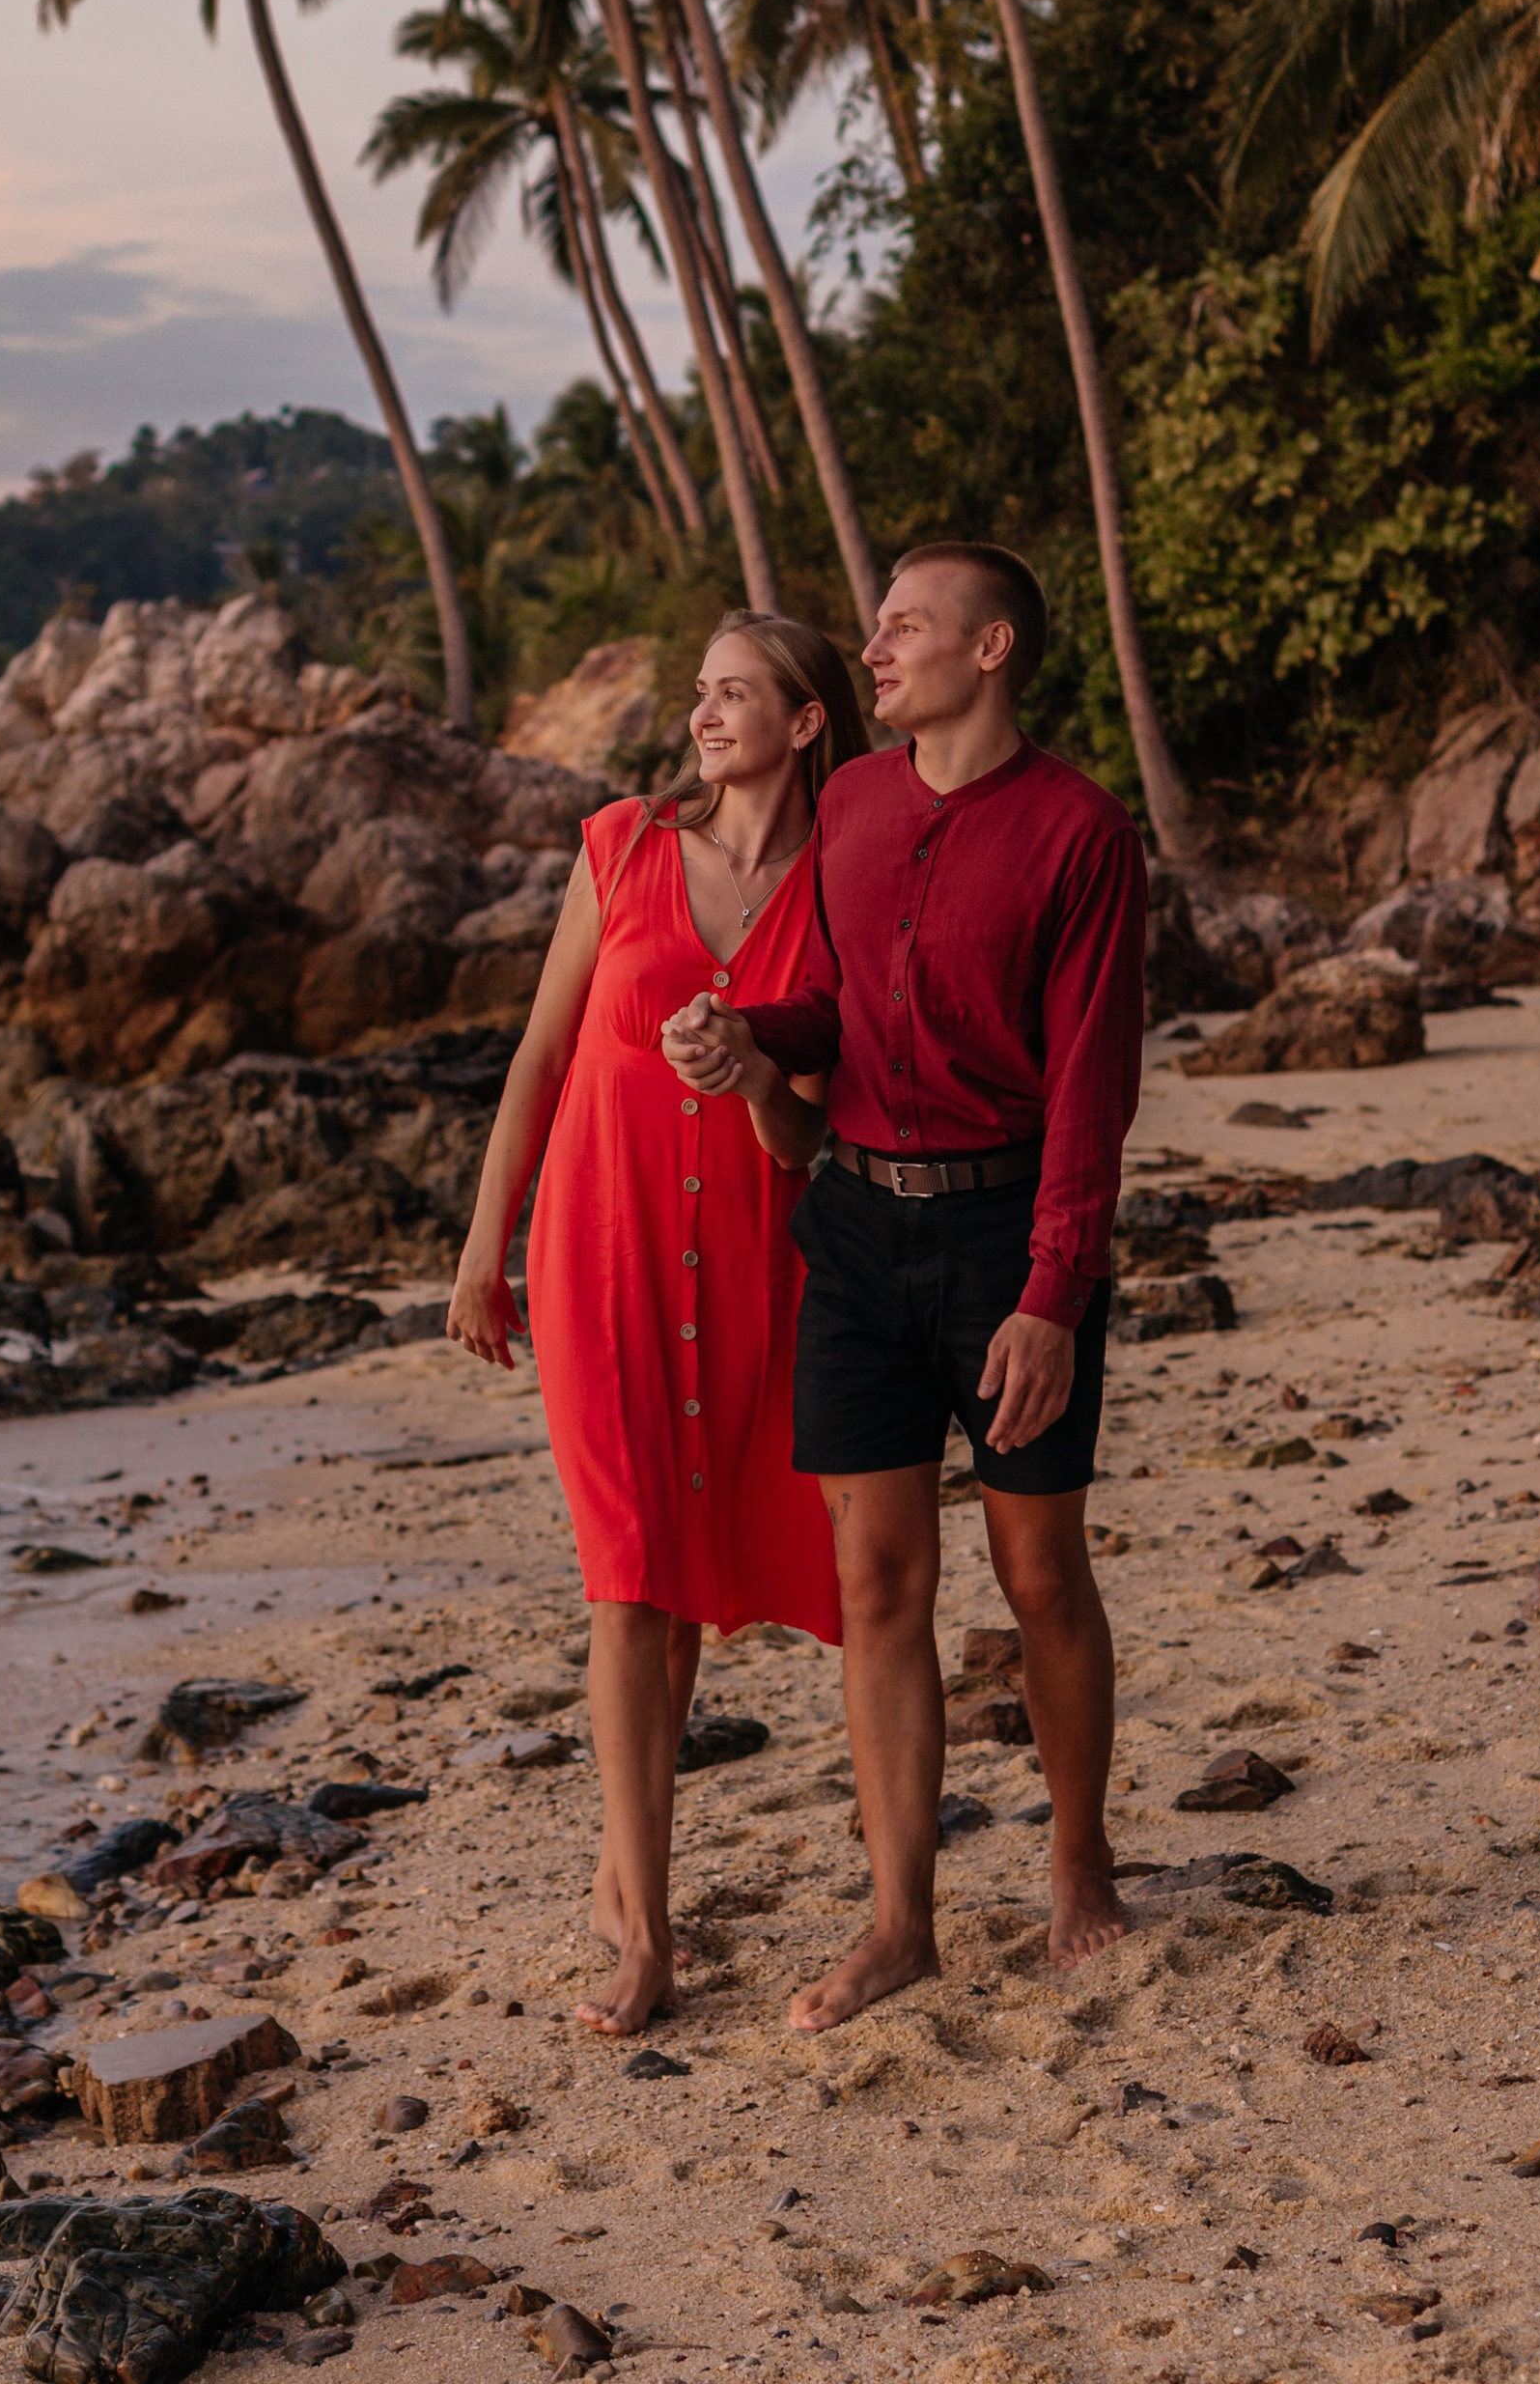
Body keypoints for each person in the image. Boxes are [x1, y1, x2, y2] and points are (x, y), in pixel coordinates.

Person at [661, 542, 1145, 2033]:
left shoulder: (1080, 833)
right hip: (857, 1231)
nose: (874, 651)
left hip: (1012, 1242)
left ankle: (1078, 1866)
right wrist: (750, 1039)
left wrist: (1054, 1295)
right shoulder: (856, 804)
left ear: (991, 648)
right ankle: (900, 1921)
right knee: (878, 1582)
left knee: (1039, 1573)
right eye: (876, 631)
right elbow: (852, 1015)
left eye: (905, 628)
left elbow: (1091, 1085)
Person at [448, 610, 869, 2037]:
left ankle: (623, 1872)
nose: (703, 714)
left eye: (735, 694)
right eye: (698, 692)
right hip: (602, 1245)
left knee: (689, 1582)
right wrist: (480, 1250)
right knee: (629, 1575)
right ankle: (649, 1940)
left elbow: (807, 1139)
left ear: (806, 722)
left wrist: (751, 1066)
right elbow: (543, 1054)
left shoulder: (843, 885)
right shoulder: (622, 845)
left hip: (757, 1259)